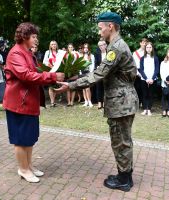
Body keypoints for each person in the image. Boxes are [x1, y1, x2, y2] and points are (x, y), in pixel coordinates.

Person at [55, 12, 138, 192]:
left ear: (111, 26)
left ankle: (124, 180)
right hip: (122, 101)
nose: (99, 32)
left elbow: (98, 74)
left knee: (121, 141)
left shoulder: (115, 47)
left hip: (121, 102)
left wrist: (71, 85)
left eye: (101, 28)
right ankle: (123, 174)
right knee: (120, 139)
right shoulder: (116, 45)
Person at [3, 22, 64, 183]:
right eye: (34, 36)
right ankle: (23, 169)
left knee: (29, 137)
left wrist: (52, 74)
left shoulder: (28, 53)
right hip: (18, 103)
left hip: (28, 102)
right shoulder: (16, 53)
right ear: (25, 36)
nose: (37, 40)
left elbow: (36, 73)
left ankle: (28, 166)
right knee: (20, 139)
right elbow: (26, 75)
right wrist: (52, 76)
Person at [138, 42, 159, 116]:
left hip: (153, 79)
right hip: (144, 79)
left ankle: (149, 109)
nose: (148, 49)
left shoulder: (155, 58)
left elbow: (157, 69)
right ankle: (144, 109)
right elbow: (141, 69)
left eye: (150, 47)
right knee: (144, 94)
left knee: (150, 94)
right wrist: (146, 78)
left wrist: (152, 79)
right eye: (147, 47)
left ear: (152, 48)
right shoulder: (142, 58)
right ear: (145, 48)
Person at [43, 40, 62, 107]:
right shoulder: (47, 52)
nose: (53, 45)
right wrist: (48, 65)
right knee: (51, 86)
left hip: (57, 71)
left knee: (55, 85)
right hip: (50, 71)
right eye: (52, 44)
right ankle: (52, 102)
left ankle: (53, 100)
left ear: (56, 45)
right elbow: (44, 62)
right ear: (50, 46)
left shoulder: (59, 52)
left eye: (54, 44)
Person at [133, 38, 148, 108]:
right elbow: (133, 64)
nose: (144, 44)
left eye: (145, 43)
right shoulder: (135, 53)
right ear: (140, 43)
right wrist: (137, 73)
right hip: (137, 72)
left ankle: (142, 102)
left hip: (145, 71)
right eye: (143, 43)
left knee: (144, 88)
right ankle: (137, 103)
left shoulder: (147, 52)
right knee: (137, 88)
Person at [81, 43, 95, 107]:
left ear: (88, 48)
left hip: (88, 72)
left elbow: (93, 65)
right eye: (84, 47)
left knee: (87, 88)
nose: (85, 49)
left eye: (87, 47)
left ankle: (90, 101)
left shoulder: (91, 56)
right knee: (83, 88)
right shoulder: (81, 56)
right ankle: (86, 101)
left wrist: (90, 72)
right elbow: (79, 65)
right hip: (82, 73)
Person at [95, 39, 107, 109]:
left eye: (102, 45)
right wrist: (98, 67)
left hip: (107, 73)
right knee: (99, 87)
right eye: (100, 45)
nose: (101, 47)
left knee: (106, 88)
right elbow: (95, 63)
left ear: (105, 45)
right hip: (99, 73)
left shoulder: (109, 53)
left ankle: (105, 102)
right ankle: (99, 102)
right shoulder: (97, 53)